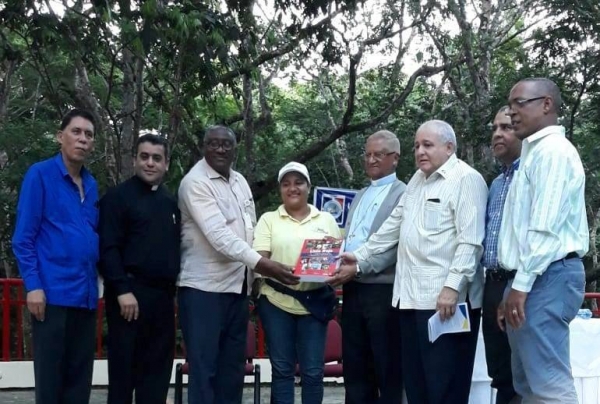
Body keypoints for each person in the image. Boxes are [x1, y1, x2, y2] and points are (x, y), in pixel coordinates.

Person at [340, 120, 488, 404]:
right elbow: (391, 228)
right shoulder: (417, 181)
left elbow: (470, 242)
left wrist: (452, 287)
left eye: (427, 145)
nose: (420, 151)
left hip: (445, 302)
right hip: (408, 301)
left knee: (444, 386)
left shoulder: (466, 179)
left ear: (449, 147)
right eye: (417, 146)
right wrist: (359, 256)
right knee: (417, 387)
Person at [177, 125, 300, 404]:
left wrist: (255, 276)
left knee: (231, 372)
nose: (220, 149)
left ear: (235, 149)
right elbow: (219, 237)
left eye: (226, 144)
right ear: (203, 147)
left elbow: (250, 229)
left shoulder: (240, 181)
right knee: (205, 371)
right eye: (213, 143)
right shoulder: (195, 182)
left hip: (237, 290)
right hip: (203, 291)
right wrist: (264, 264)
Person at [497, 78, 588, 404]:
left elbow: (544, 229)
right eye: (510, 104)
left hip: (546, 275)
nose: (512, 112)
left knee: (549, 387)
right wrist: (512, 287)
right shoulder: (533, 154)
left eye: (519, 103)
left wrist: (520, 286)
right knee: (529, 386)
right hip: (533, 276)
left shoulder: (553, 153)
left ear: (547, 104)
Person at [12, 109, 100, 404]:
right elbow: (23, 238)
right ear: (60, 136)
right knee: (51, 385)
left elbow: (91, 235)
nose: (83, 139)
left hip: (86, 298)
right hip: (52, 297)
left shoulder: (91, 184)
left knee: (79, 386)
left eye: (88, 134)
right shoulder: (40, 175)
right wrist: (33, 286)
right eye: (76, 132)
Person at [98, 134, 180, 404]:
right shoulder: (117, 198)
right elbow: (108, 248)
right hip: (128, 298)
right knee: (123, 379)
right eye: (144, 157)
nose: (150, 163)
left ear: (166, 163)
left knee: (156, 378)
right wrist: (122, 290)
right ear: (135, 160)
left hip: (162, 301)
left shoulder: (170, 202)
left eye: (157, 158)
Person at [326, 131, 405, 404]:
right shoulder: (360, 194)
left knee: (387, 366)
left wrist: (360, 268)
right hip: (352, 288)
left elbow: (395, 247)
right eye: (368, 154)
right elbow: (351, 238)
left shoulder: (404, 193)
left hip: (383, 290)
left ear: (395, 158)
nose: (371, 160)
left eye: (379, 155)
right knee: (355, 366)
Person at [254, 161, 342, 404]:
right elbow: (259, 259)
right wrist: (278, 270)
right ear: (280, 190)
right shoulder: (269, 219)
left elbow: (335, 259)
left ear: (308, 187)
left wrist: (330, 272)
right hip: (276, 301)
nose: (292, 188)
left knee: (313, 371)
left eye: (298, 183)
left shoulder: (326, 219)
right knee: (282, 370)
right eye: (286, 184)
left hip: (314, 303)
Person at [481, 107, 521, 404]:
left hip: (520, 283)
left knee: (524, 371)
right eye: (494, 128)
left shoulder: (531, 176)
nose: (497, 134)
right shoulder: (495, 184)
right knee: (500, 372)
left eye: (506, 127)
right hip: (492, 284)